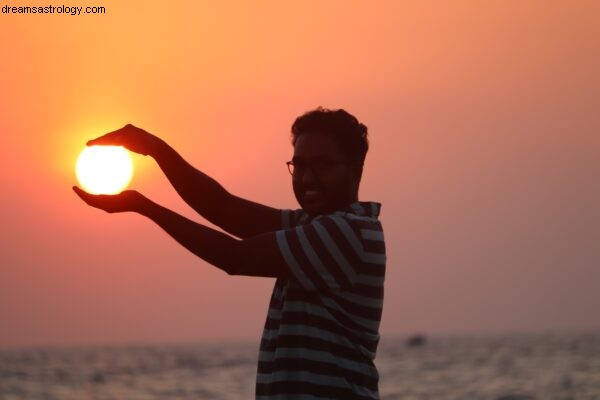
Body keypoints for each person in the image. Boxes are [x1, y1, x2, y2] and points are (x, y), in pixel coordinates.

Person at [73, 107, 386, 399]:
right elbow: (223, 208)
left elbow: (235, 257)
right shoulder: (312, 224)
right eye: (299, 165)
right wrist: (154, 147)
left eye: (322, 165)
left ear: (355, 168)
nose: (306, 178)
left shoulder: (347, 233)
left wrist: (145, 207)